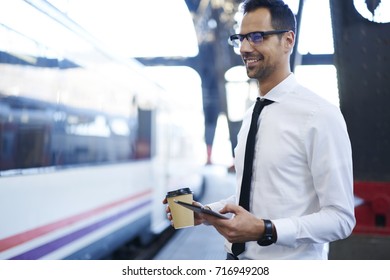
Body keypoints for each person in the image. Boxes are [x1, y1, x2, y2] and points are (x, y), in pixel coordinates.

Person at [163, 0, 355, 260]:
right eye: (240, 38)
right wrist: (207, 212)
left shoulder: (321, 116)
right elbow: (255, 192)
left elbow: (341, 218)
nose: (244, 48)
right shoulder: (252, 115)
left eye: (256, 37)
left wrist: (267, 229)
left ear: (288, 40)